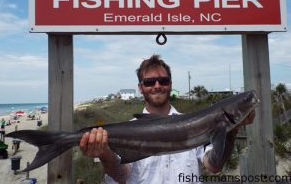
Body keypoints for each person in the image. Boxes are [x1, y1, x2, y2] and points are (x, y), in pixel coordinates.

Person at [79, 55, 255, 184]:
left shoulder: (196, 123)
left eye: (163, 80)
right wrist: (103, 153)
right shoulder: (129, 130)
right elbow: (122, 176)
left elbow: (213, 165)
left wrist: (231, 130)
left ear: (170, 84)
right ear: (141, 88)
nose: (157, 86)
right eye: (149, 82)